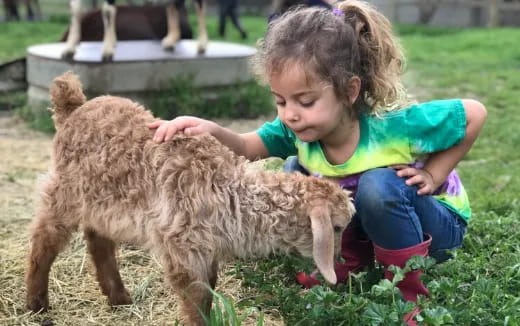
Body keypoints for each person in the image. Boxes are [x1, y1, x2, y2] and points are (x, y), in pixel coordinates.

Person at [149, 1, 487, 324]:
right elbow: (247, 146)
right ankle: (348, 261)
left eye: (306, 101)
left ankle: (407, 290)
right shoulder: (297, 130)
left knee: (375, 186)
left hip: (436, 226)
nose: (291, 114)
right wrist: (211, 129)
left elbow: (474, 114)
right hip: (378, 223)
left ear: (349, 91)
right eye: (280, 101)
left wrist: (433, 173)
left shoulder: (394, 125)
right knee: (295, 172)